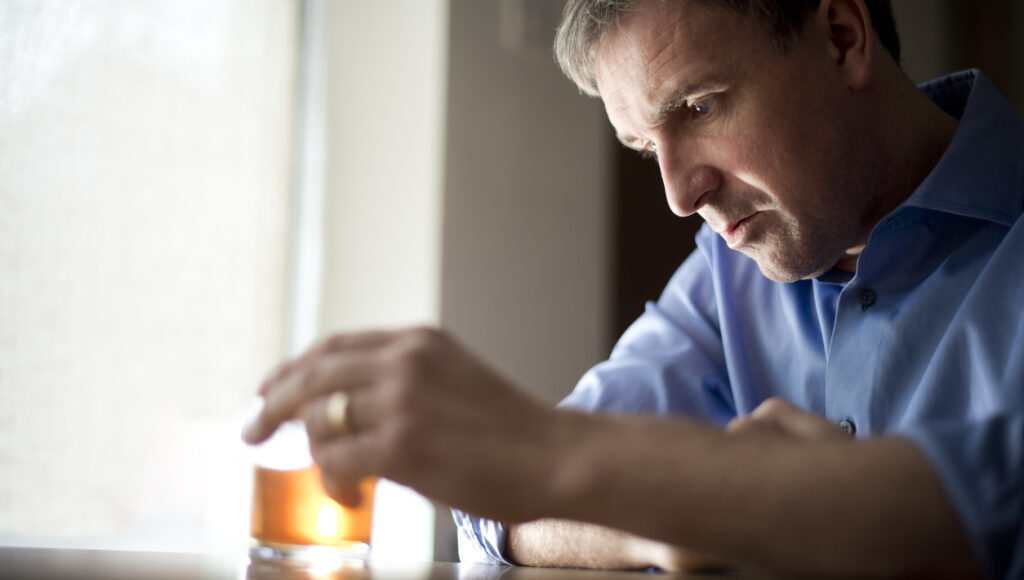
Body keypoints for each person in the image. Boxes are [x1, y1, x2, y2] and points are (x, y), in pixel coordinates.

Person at [242, 0, 1024, 576]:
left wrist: (674, 486)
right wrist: (659, 522)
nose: (680, 193)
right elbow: (500, 512)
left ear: (841, 37)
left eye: (699, 106)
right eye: (646, 144)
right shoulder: (728, 280)